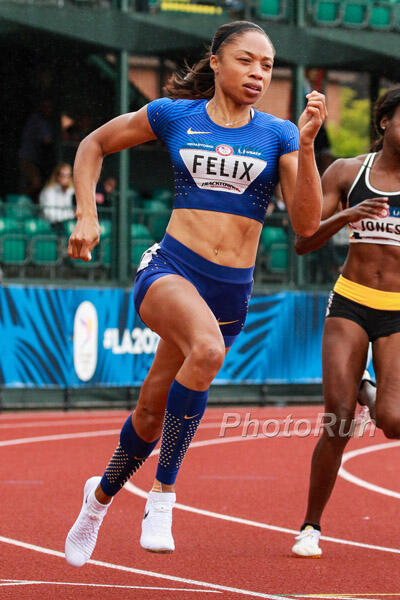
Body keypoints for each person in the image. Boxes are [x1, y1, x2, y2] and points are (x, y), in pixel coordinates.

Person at [65, 20, 326, 567]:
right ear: (216, 61)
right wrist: (87, 215)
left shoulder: (279, 134)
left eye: (267, 66)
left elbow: (307, 225)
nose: (258, 73)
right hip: (171, 268)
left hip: (230, 292)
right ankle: (163, 496)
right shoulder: (174, 115)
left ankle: (98, 499)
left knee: (150, 410)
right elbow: (94, 145)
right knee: (206, 351)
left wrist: (305, 147)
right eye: (246, 60)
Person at [291, 88, 400, 558]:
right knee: (337, 421)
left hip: (397, 311)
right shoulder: (347, 172)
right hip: (351, 302)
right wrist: (348, 216)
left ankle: (367, 388)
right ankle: (310, 526)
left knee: (393, 423)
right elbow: (302, 241)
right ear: (385, 122)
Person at [39, 163, 75, 227]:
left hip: (66, 224)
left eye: (68, 175)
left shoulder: (71, 191)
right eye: (62, 175)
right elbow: (49, 213)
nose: (65, 178)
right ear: (56, 176)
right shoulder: (48, 191)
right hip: (50, 225)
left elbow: (71, 211)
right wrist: (65, 219)